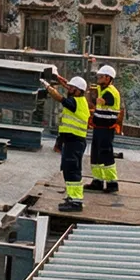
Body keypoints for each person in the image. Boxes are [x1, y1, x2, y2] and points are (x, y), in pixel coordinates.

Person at [42, 69, 90, 211]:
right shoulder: (77, 99)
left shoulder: (76, 103)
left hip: (75, 142)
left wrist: (48, 87)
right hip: (72, 141)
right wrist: (63, 82)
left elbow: (61, 99)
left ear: (78, 91)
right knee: (68, 170)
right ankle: (72, 197)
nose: (70, 89)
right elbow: (68, 93)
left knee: (72, 170)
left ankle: (76, 201)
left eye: (72, 88)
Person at [87, 64, 122, 194]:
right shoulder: (102, 88)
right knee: (96, 154)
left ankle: (112, 183)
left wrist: (90, 96)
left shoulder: (110, 92)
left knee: (106, 154)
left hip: (106, 129)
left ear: (108, 78)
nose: (98, 79)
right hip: (99, 127)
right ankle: (98, 180)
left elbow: (99, 101)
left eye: (101, 77)